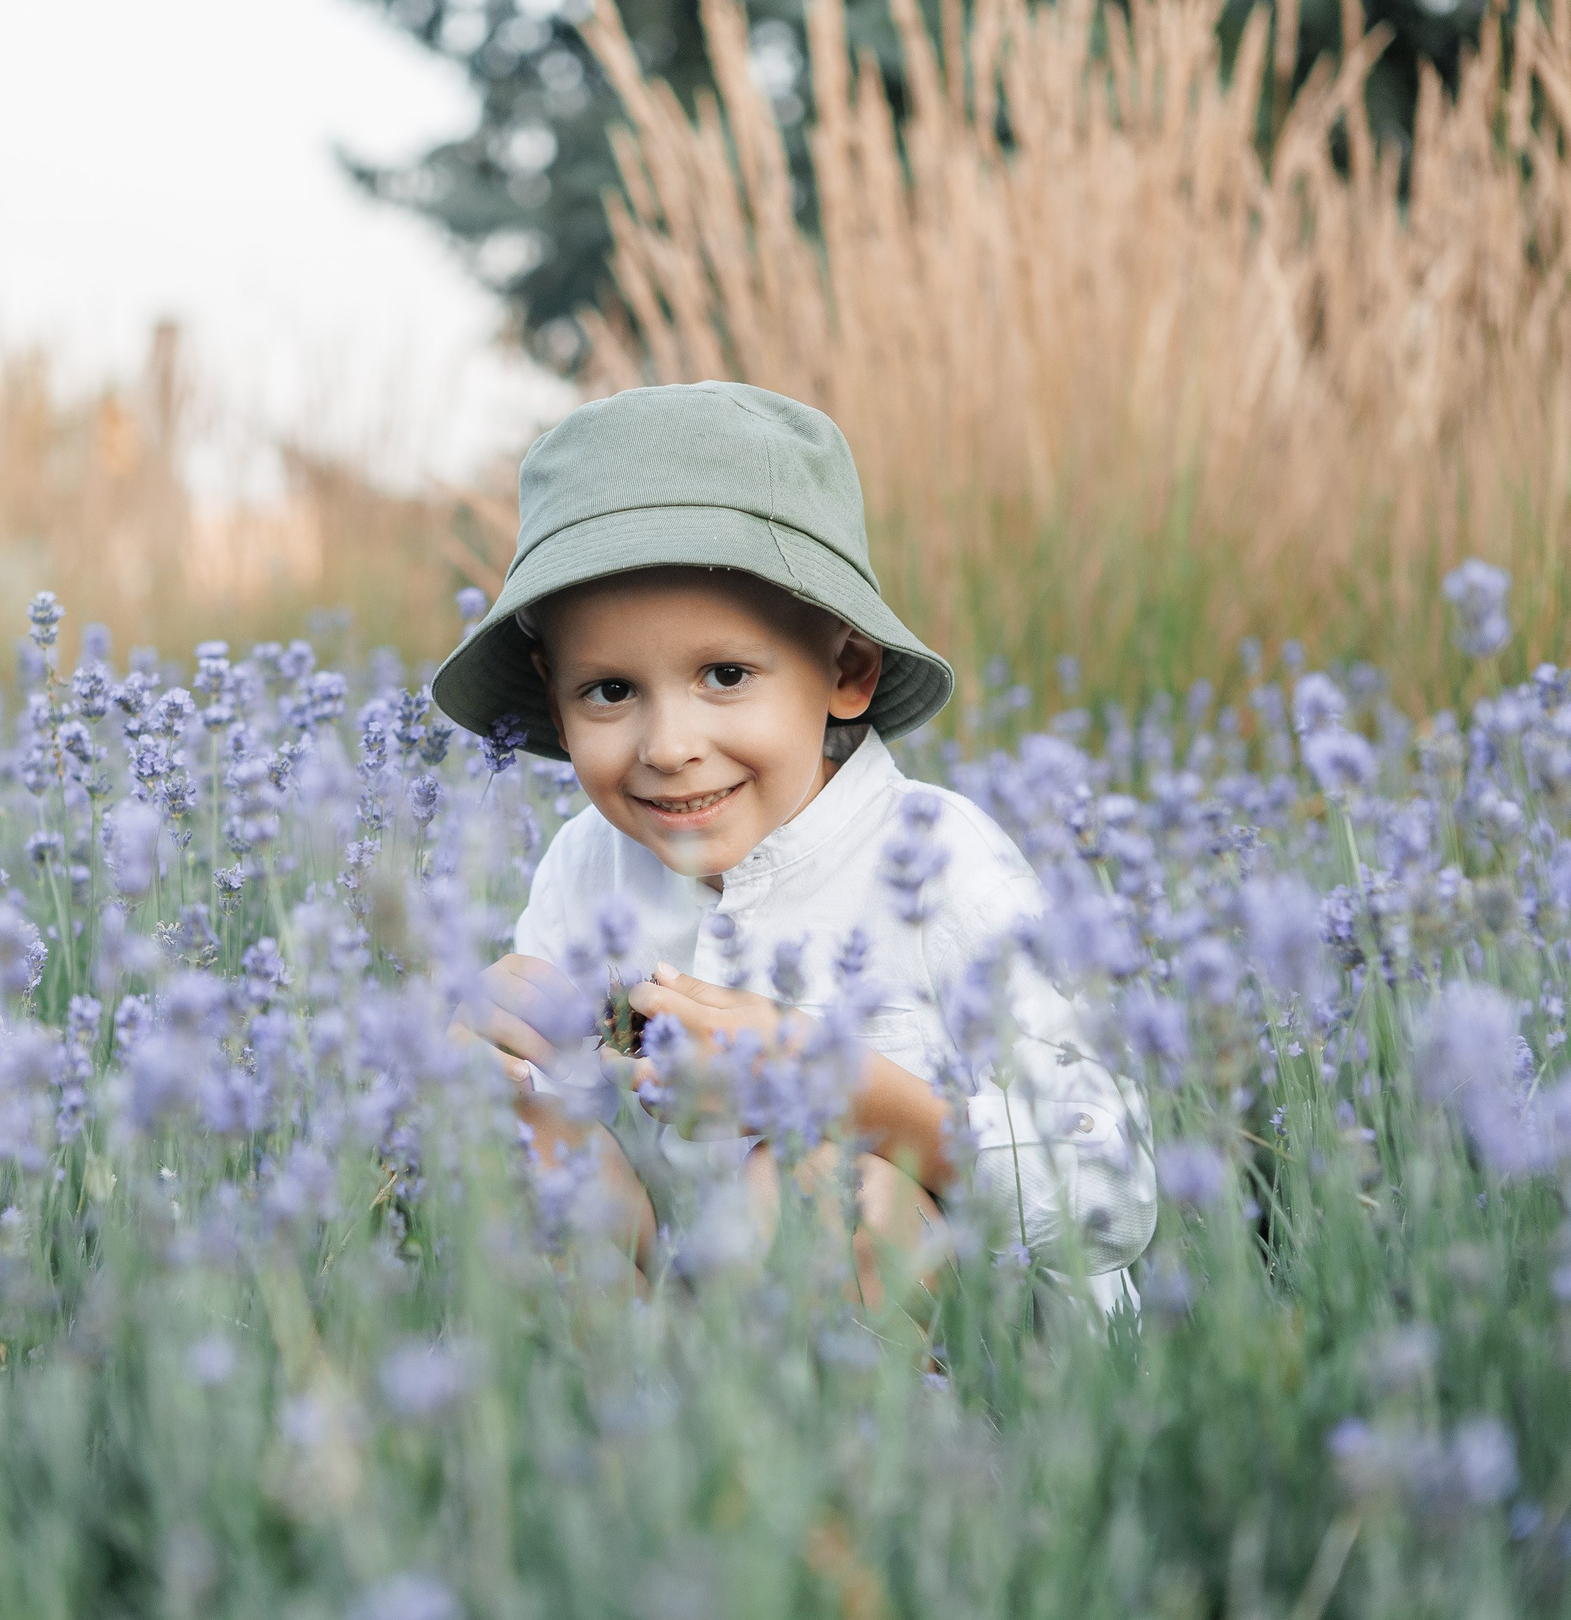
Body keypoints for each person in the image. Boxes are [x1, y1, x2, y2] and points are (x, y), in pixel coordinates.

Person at [434, 382, 1155, 1312]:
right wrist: (494, 1067)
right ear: (553, 688)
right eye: (609, 691)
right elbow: (557, 1125)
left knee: (825, 1182)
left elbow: (1113, 1192)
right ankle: (622, 1431)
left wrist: (866, 1096)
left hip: (965, 1375)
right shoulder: (584, 867)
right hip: (690, 1336)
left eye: (725, 675)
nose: (666, 745)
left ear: (846, 670)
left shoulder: (939, 862)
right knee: (529, 1156)